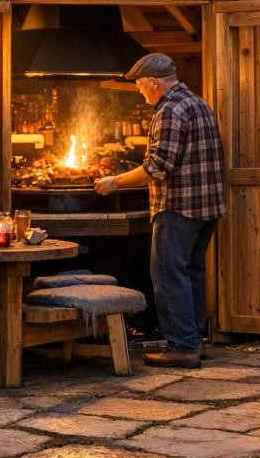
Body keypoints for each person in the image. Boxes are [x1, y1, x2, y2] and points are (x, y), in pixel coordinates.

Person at [95, 53, 225, 369]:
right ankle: (194, 341)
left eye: (141, 85)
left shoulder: (169, 111)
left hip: (178, 207)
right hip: (207, 207)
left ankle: (181, 347)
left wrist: (115, 182)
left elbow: (158, 167)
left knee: (168, 276)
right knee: (191, 273)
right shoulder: (198, 102)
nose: (141, 91)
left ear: (154, 82)